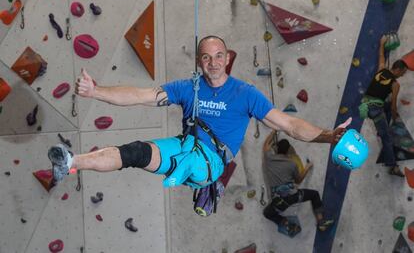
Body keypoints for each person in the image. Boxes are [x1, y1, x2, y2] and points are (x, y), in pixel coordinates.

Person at [48, 36, 350, 192]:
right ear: (199, 61)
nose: (213, 62)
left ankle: (179, 170)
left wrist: (327, 136)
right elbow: (141, 96)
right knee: (136, 152)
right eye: (206, 57)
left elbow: (291, 125)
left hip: (211, 164)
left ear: (228, 58)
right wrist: (96, 91)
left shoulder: (245, 95)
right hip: (182, 147)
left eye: (219, 56)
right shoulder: (187, 88)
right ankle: (71, 163)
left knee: (189, 158)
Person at [262, 131, 334, 234]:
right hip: (293, 196)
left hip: (278, 201)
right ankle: (321, 221)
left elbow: (266, 145)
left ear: (276, 149)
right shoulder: (292, 164)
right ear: (287, 152)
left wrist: (273, 131)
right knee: (314, 195)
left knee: (267, 213)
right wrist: (307, 167)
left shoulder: (269, 158)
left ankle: (286, 224)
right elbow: (298, 180)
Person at [360, 35, 408, 177]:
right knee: (387, 137)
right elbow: (393, 106)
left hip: (365, 106)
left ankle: (382, 127)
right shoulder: (395, 84)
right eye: (403, 72)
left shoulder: (381, 69)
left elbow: (381, 55)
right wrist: (396, 118)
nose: (403, 75)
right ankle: (393, 167)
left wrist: (382, 43)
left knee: (385, 105)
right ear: (398, 70)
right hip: (375, 109)